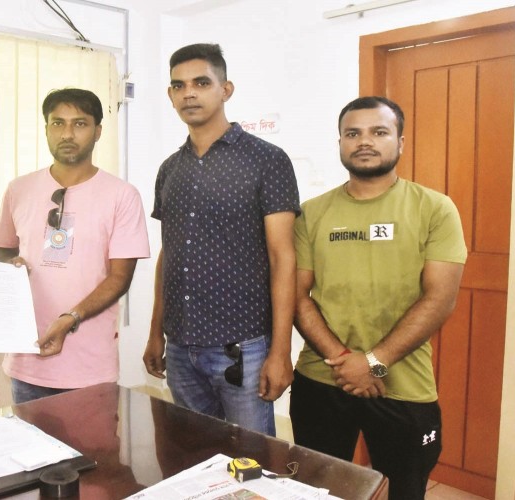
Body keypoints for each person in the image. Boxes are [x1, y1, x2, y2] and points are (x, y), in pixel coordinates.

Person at [290, 96, 467, 499]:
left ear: (400, 142)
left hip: (402, 385)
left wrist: (373, 363)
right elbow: (297, 296)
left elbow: (440, 299)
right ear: (340, 142)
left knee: (405, 490)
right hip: (323, 378)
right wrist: (345, 360)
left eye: (379, 132)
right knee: (317, 491)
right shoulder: (311, 213)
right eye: (353, 133)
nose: (364, 141)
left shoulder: (435, 209)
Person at [142, 43, 300, 436]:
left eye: (201, 83)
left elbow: (283, 258)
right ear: (170, 95)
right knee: (196, 454)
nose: (189, 93)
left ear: (225, 89)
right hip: (181, 348)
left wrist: (281, 351)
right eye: (179, 86)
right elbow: (169, 254)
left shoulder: (267, 160)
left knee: (252, 458)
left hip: (242, 348)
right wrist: (155, 332)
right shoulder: (169, 169)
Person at [0, 88, 150, 404]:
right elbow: (3, 252)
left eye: (79, 124)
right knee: (28, 437)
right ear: (46, 129)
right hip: (27, 358)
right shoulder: (19, 189)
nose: (67, 134)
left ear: (97, 131)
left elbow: (120, 278)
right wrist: (8, 266)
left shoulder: (122, 195)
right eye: (57, 123)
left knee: (92, 438)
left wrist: (71, 318)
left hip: (89, 367)